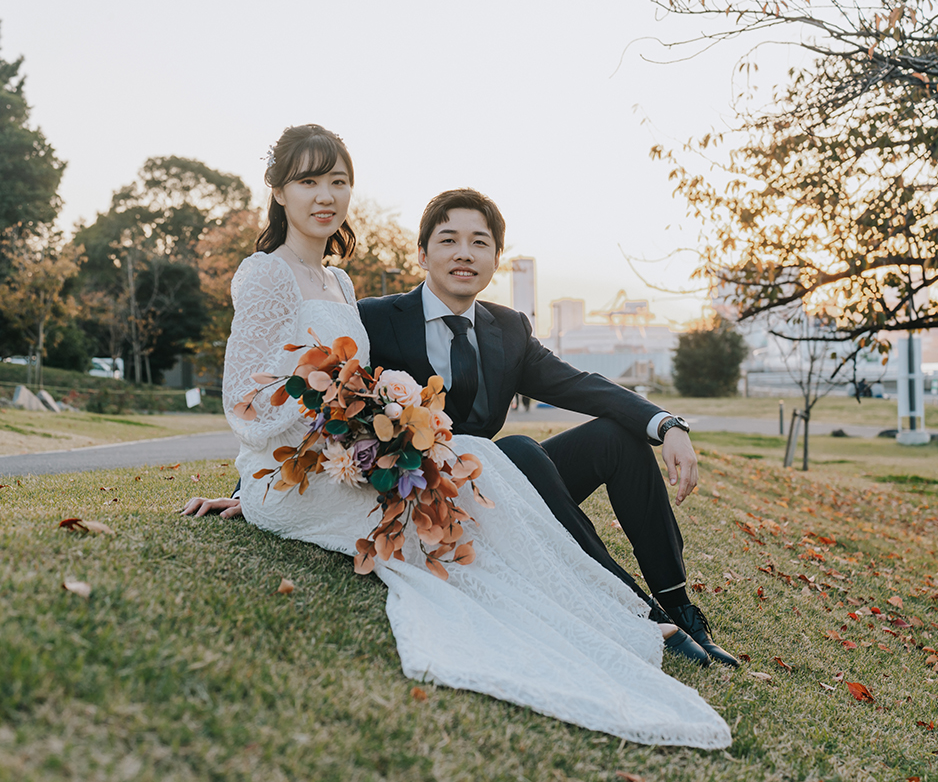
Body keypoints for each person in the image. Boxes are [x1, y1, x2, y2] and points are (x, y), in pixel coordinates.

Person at [206, 123, 730, 747]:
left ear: (495, 259)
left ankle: (675, 604)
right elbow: (263, 388)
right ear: (421, 253)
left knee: (591, 440)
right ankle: (625, 606)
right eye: (309, 181)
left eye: (338, 181)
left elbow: (581, 384)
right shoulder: (368, 311)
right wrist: (251, 485)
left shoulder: (493, 323)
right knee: (513, 452)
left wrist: (663, 422)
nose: (463, 252)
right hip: (446, 475)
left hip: (482, 475)